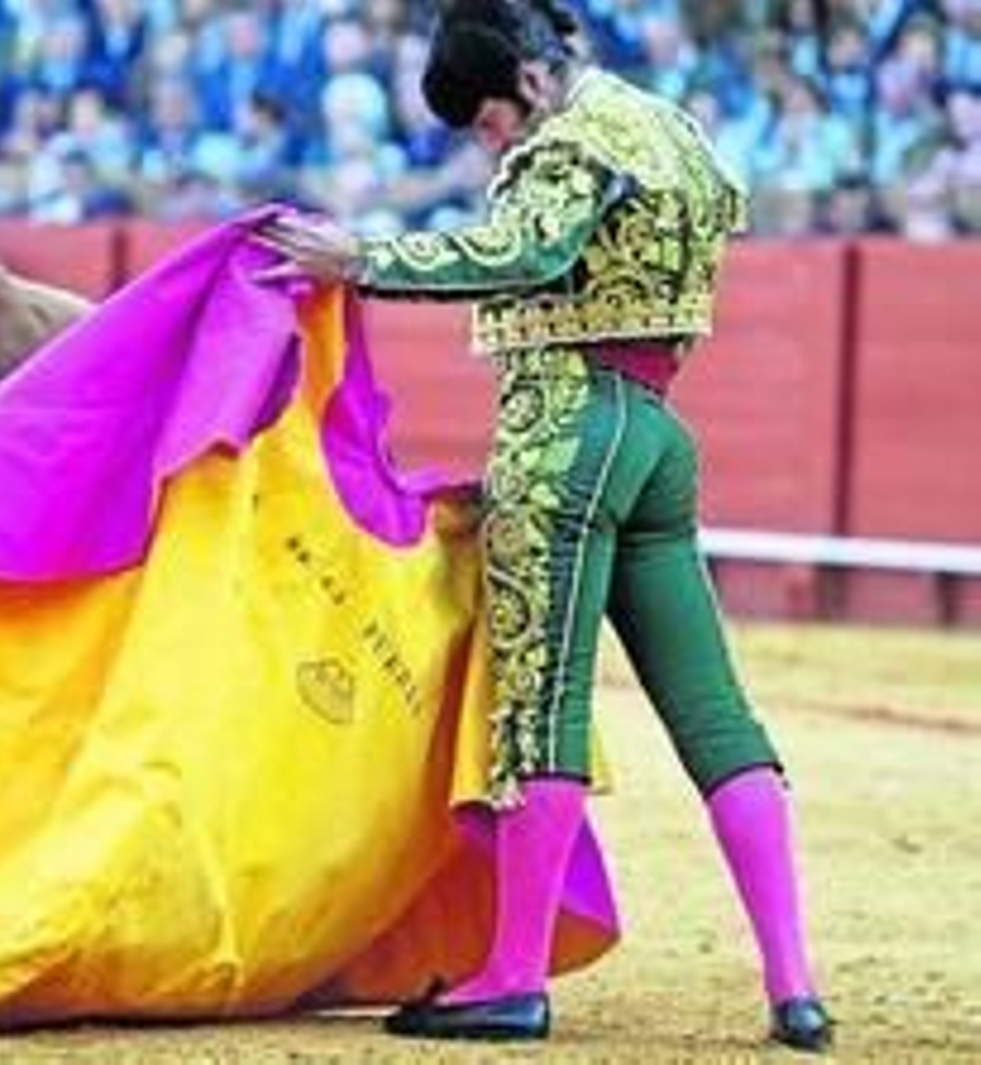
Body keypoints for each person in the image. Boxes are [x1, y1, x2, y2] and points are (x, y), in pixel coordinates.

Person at [253, 0, 833, 1052]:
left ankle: (512, 978)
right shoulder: (669, 128)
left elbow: (529, 249)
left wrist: (363, 261)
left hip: (566, 438)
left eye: (483, 122)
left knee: (536, 711)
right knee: (712, 712)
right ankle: (793, 985)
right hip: (655, 436)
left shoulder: (564, 146)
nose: (492, 144)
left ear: (523, 81)